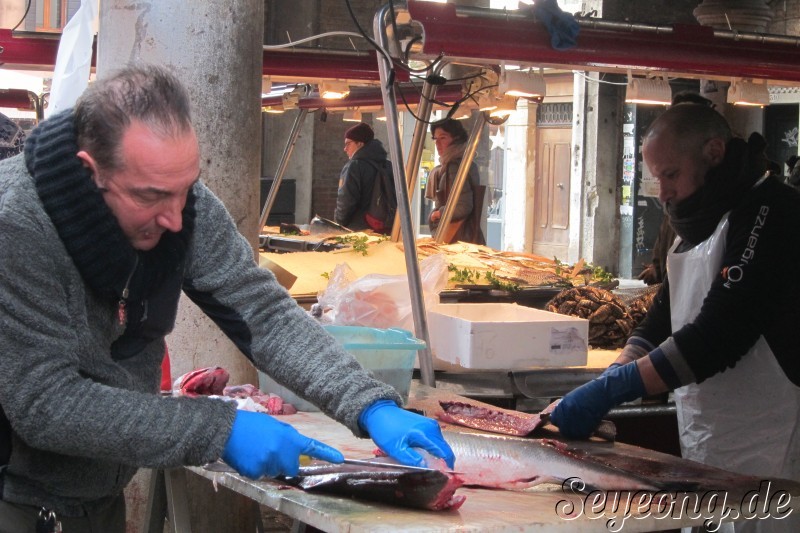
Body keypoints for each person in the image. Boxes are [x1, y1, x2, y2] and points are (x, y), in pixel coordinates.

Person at [0, 64, 454, 532]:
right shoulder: (17, 224)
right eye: (153, 196)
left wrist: (366, 403)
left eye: (185, 189)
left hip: (97, 496)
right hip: (15, 499)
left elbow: (263, 312)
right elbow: (45, 402)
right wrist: (219, 429)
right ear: (88, 171)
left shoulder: (180, 204)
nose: (176, 219)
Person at [551, 103, 800, 532]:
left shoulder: (773, 212)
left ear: (714, 152)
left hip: (771, 439)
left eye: (670, 175)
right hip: (710, 431)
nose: (662, 192)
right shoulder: (700, 220)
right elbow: (663, 316)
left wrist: (615, 389)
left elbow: (717, 336)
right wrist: (616, 368)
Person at [425, 118, 485, 244]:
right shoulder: (464, 162)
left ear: (456, 138)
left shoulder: (455, 166)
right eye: (435, 139)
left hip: (457, 239)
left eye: (443, 138)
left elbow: (464, 206)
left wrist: (437, 214)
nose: (437, 144)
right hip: (464, 238)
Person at [334, 122, 395, 234]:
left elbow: (346, 200)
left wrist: (339, 223)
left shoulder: (354, 166)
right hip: (386, 228)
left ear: (360, 144)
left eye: (348, 144)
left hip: (359, 231)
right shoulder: (389, 165)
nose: (345, 148)